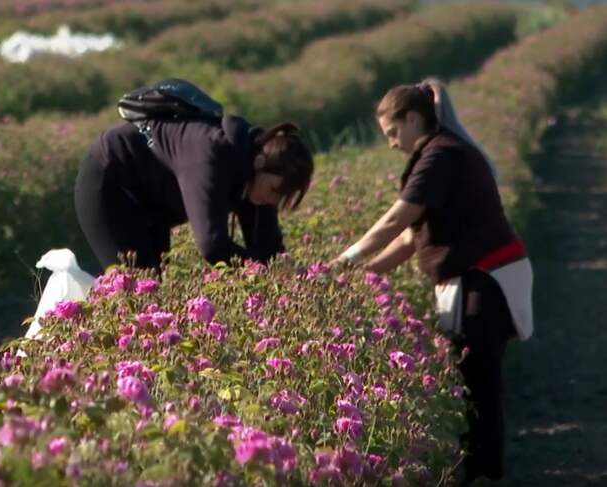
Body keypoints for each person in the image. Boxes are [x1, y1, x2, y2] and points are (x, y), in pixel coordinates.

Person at [332, 78, 533, 485]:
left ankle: (483, 472)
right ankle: (479, 468)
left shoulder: (441, 155)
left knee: (479, 380)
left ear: (411, 119)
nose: (391, 143)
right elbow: (411, 238)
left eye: (392, 133)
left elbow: (397, 220)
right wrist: (365, 274)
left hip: (487, 281)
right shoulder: (441, 153)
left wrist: (345, 260)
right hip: (481, 279)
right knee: (473, 378)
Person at [74, 111, 313, 273]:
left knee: (153, 293)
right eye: (273, 190)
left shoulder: (252, 171)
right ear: (261, 162)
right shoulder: (212, 153)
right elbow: (212, 246)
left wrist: (298, 278)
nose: (271, 201)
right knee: (135, 289)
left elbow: (269, 252)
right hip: (109, 183)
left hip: (152, 205)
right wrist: (258, 272)